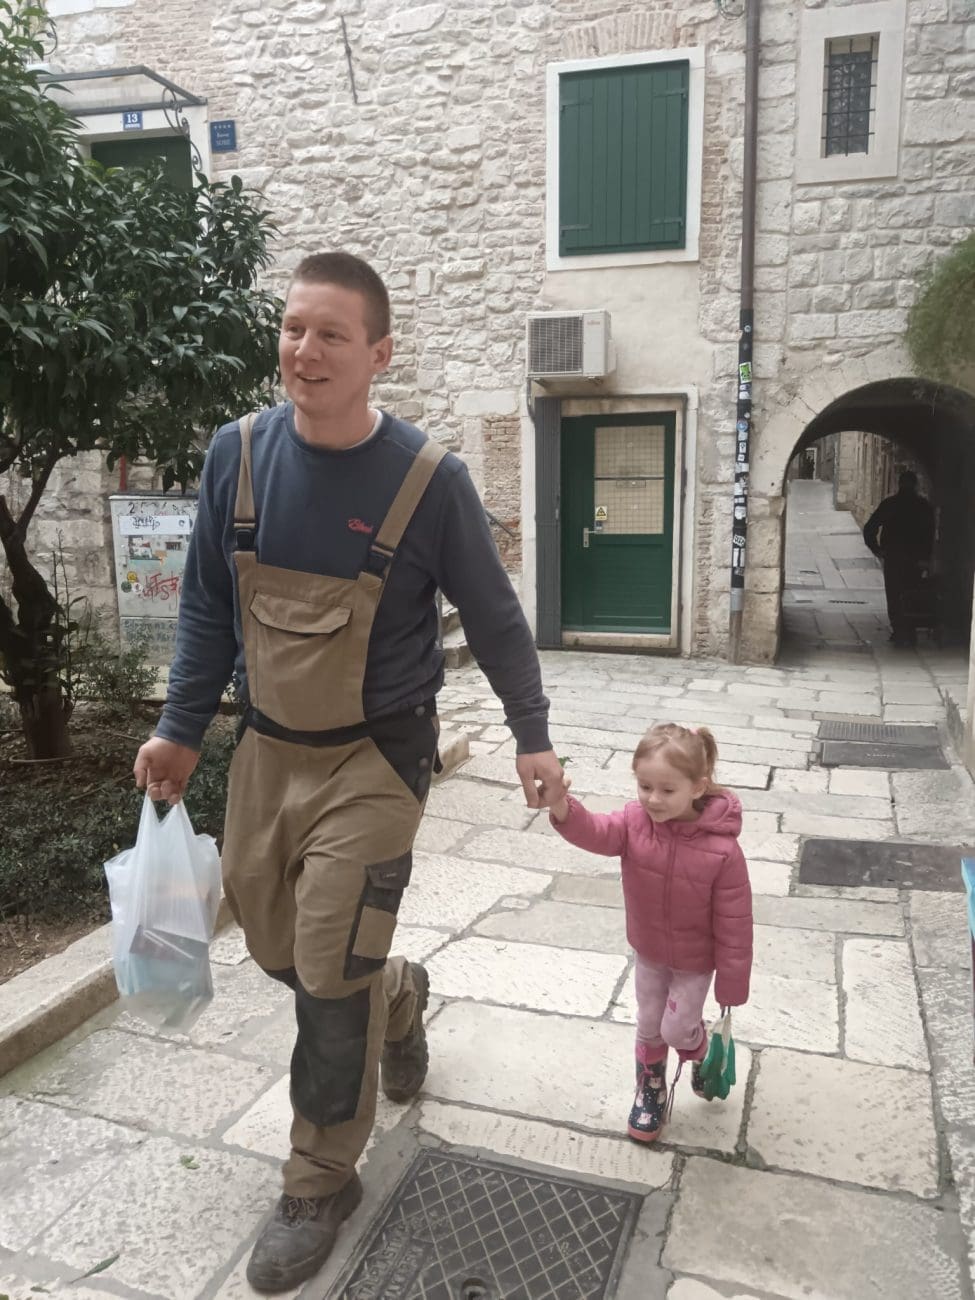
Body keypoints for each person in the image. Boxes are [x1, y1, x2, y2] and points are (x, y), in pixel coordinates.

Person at [132, 252, 567, 1294]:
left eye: (331, 333)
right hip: (268, 751)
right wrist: (181, 728)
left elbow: (495, 618)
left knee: (328, 965)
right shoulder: (236, 456)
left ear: (380, 353)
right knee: (278, 942)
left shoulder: (428, 481)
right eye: (293, 328)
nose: (305, 350)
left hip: (377, 757)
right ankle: (400, 994)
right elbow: (207, 608)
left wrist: (532, 733)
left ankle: (320, 1175)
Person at [549, 723, 752, 1142]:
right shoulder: (632, 823)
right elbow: (595, 831)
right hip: (650, 951)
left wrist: (732, 985)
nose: (653, 799)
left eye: (667, 789)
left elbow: (735, 922)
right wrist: (561, 806)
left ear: (698, 787)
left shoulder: (723, 851)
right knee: (649, 1023)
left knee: (677, 1029)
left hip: (695, 962)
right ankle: (650, 1090)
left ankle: (700, 1049)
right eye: (645, 786)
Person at [863, 470, 935, 647]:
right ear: (916, 485)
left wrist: (877, 550)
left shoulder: (890, 504)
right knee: (912, 592)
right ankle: (909, 629)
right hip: (914, 559)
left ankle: (899, 630)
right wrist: (926, 558)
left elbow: (870, 528)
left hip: (894, 556)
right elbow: (929, 534)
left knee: (894, 594)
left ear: (899, 484)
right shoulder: (923, 506)